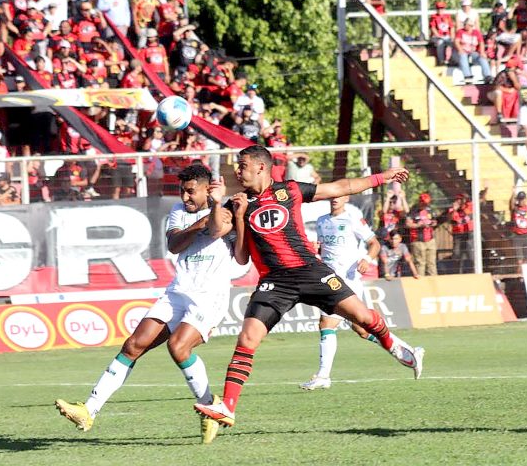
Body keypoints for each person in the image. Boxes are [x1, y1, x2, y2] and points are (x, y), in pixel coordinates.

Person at [194, 145, 423, 429]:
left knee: (362, 318)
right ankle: (228, 407)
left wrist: (382, 177)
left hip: (311, 271)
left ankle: (392, 344)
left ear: (261, 167)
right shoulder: (237, 203)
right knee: (247, 339)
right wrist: (222, 206)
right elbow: (224, 239)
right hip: (274, 282)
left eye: (242, 165)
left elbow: (340, 186)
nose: (237, 171)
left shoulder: (289, 190)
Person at [54, 165, 234, 444]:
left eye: (190, 191)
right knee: (133, 345)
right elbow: (175, 244)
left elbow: (215, 230)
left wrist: (216, 204)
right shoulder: (178, 210)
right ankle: (88, 410)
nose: (185, 197)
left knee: (178, 347)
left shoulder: (225, 208)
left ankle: (210, 406)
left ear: (206, 188)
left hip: (210, 296)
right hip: (178, 291)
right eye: (181, 191)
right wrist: (197, 222)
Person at [300, 195, 420, 391]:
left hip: (348, 279)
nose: (334, 199)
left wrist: (366, 259)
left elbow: (375, 244)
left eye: (339, 196)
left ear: (346, 198)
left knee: (327, 323)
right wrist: (316, 248)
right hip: (330, 278)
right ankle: (407, 351)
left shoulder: (352, 219)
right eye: (332, 196)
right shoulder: (322, 221)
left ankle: (323, 375)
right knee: (362, 330)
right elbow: (325, 249)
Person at [405, 192, 438, 276]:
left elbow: (435, 221)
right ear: (420, 202)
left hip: (430, 240)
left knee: (432, 264)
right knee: (420, 264)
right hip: (418, 241)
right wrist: (418, 225)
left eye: (427, 203)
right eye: (424, 203)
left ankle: (435, 284)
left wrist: (433, 223)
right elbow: (408, 224)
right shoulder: (413, 210)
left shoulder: (429, 209)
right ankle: (421, 284)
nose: (425, 205)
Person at [509, 189, 527, 270]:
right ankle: (519, 276)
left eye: (522, 199)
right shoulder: (515, 208)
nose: (521, 201)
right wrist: (513, 193)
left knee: (526, 259)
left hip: (526, 235)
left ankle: (524, 276)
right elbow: (511, 204)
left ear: (526, 199)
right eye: (519, 199)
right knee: (519, 260)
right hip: (517, 236)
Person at [447, 193, 474, 274]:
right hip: (458, 234)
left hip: (468, 232)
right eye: (458, 199)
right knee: (457, 253)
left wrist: (463, 207)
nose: (459, 201)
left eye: (461, 199)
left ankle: (471, 271)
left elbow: (468, 213)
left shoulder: (469, 206)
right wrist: (455, 209)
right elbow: (450, 218)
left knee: (470, 253)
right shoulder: (453, 209)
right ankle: (457, 272)